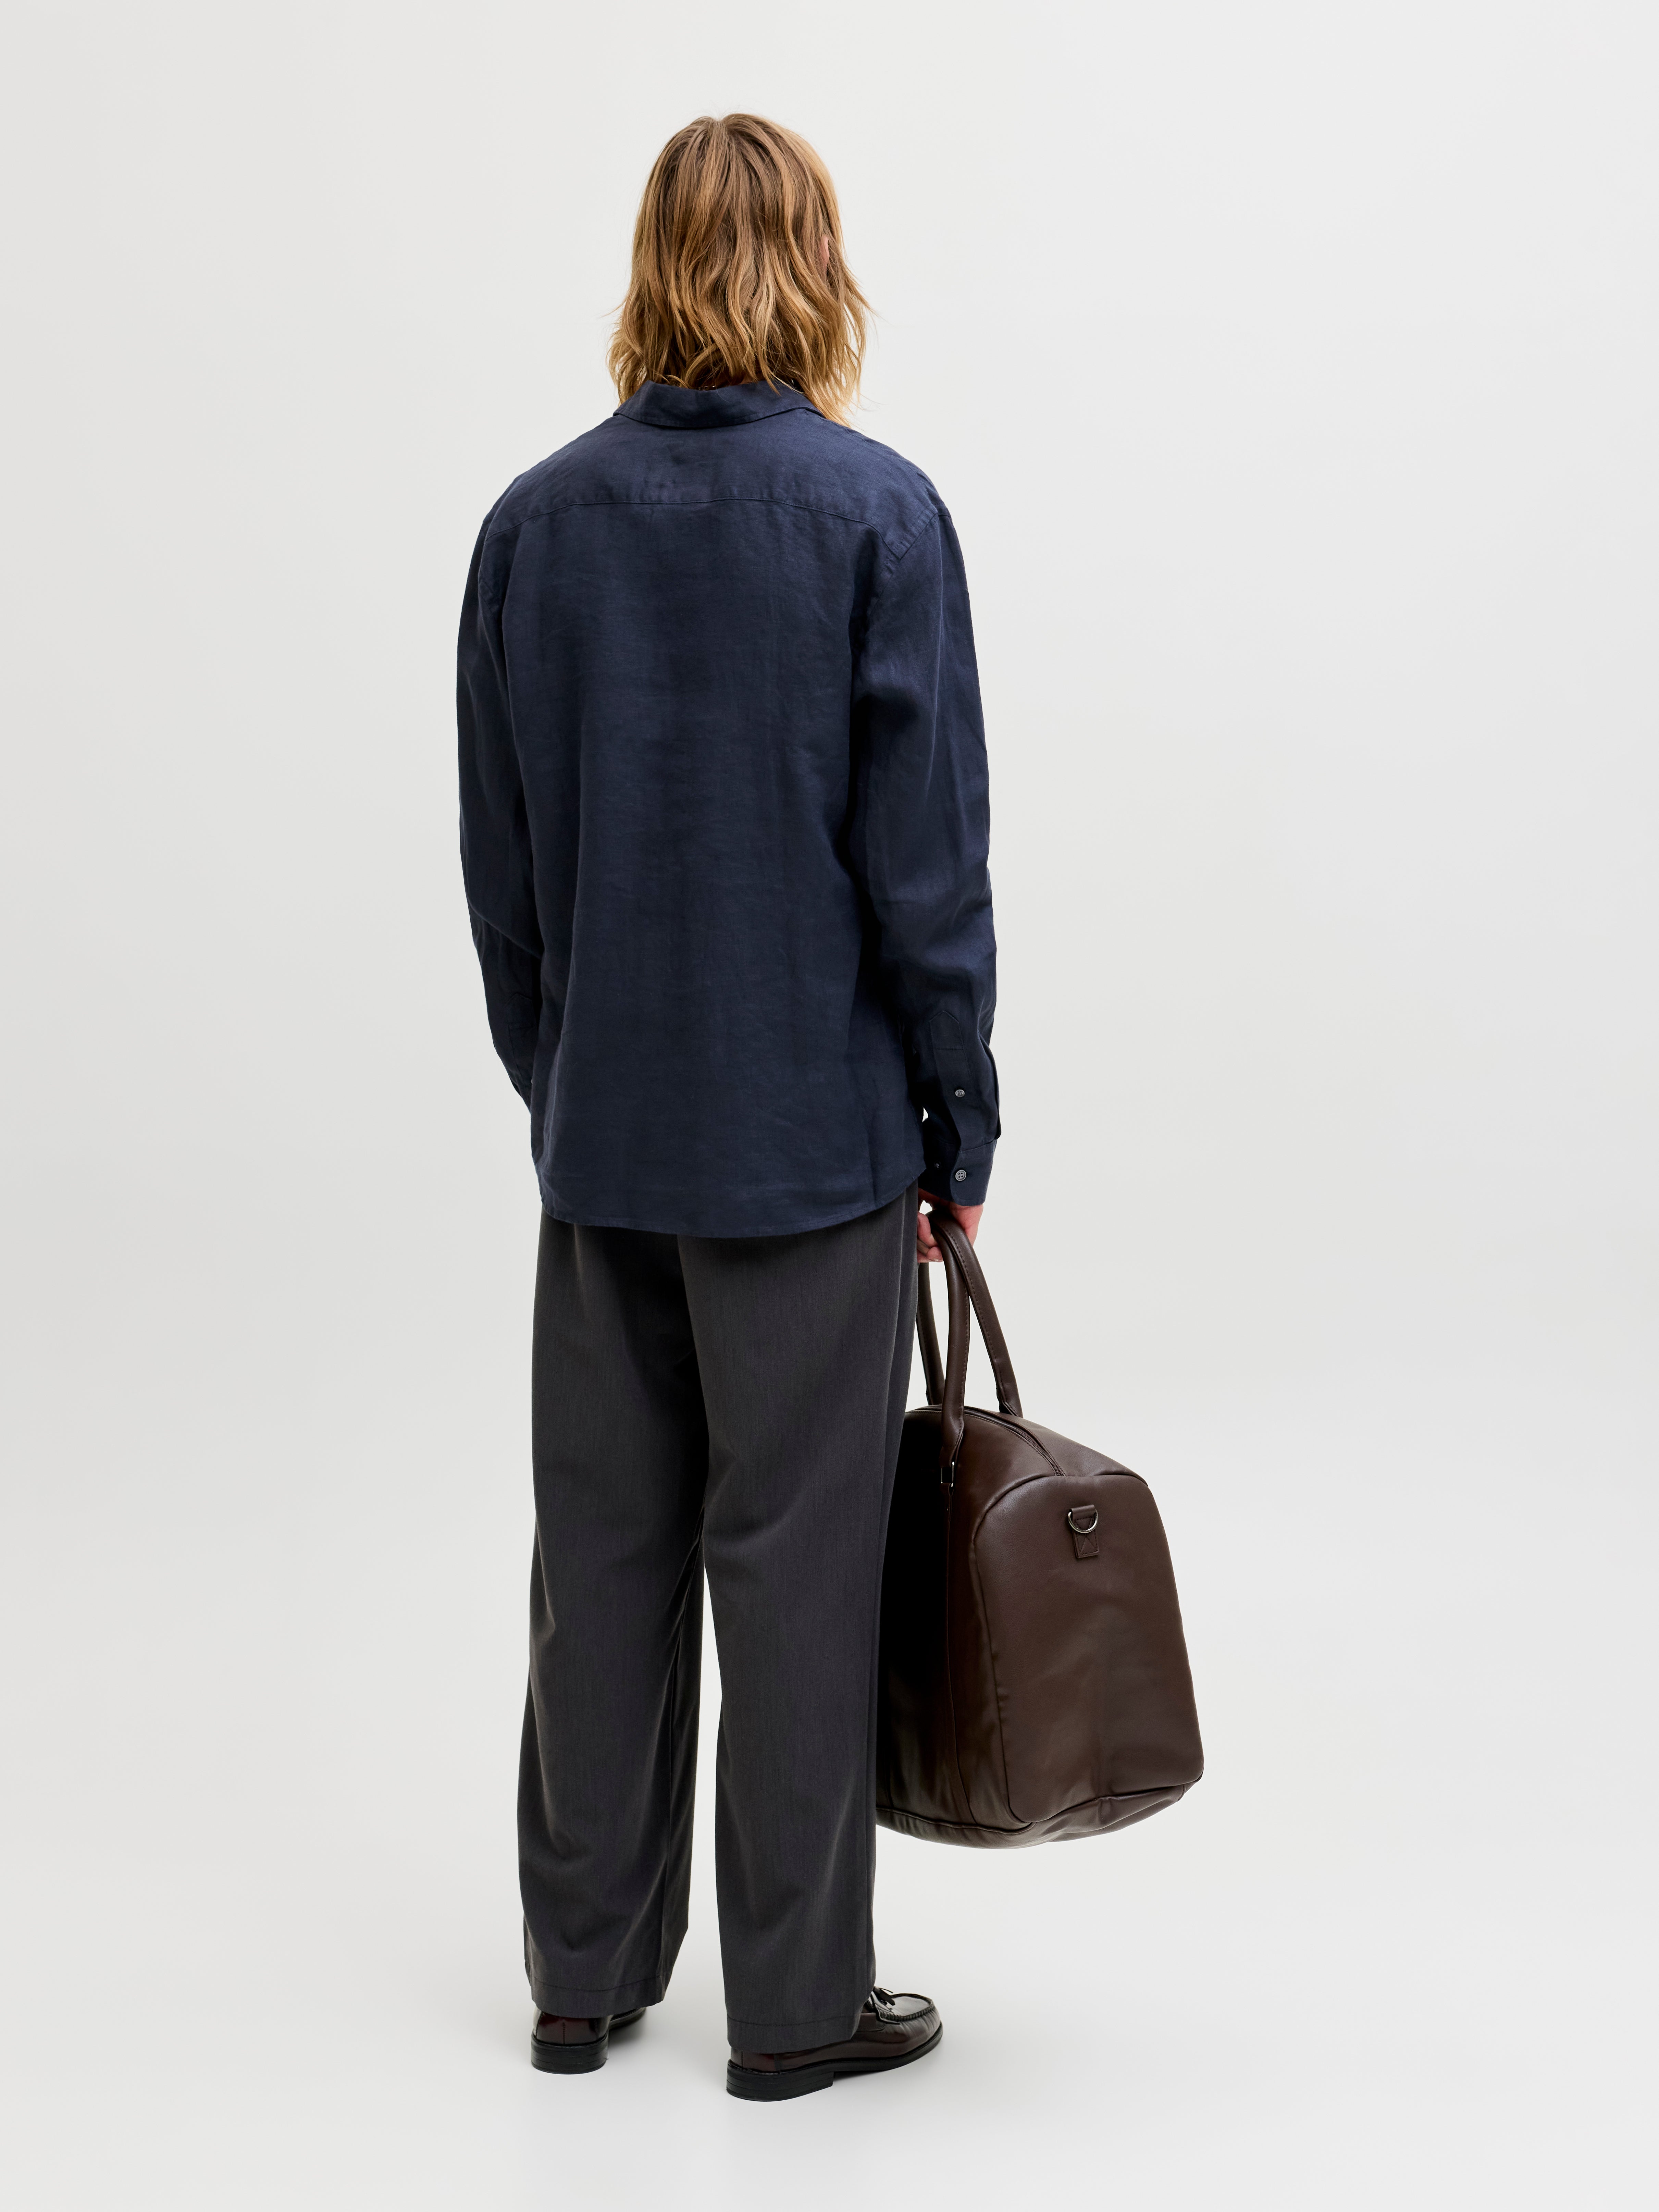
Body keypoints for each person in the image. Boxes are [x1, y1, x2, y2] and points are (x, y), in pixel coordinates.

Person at [457, 112, 998, 2101]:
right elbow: (926, 869)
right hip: (812, 1142)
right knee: (795, 1566)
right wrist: (956, 1120)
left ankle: (578, 1983)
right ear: (817, 268)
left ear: (649, 266)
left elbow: (505, 876)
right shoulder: (878, 517)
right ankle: (794, 2010)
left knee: (600, 1554)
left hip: (611, 1141)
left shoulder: (533, 526)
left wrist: (567, 1078)